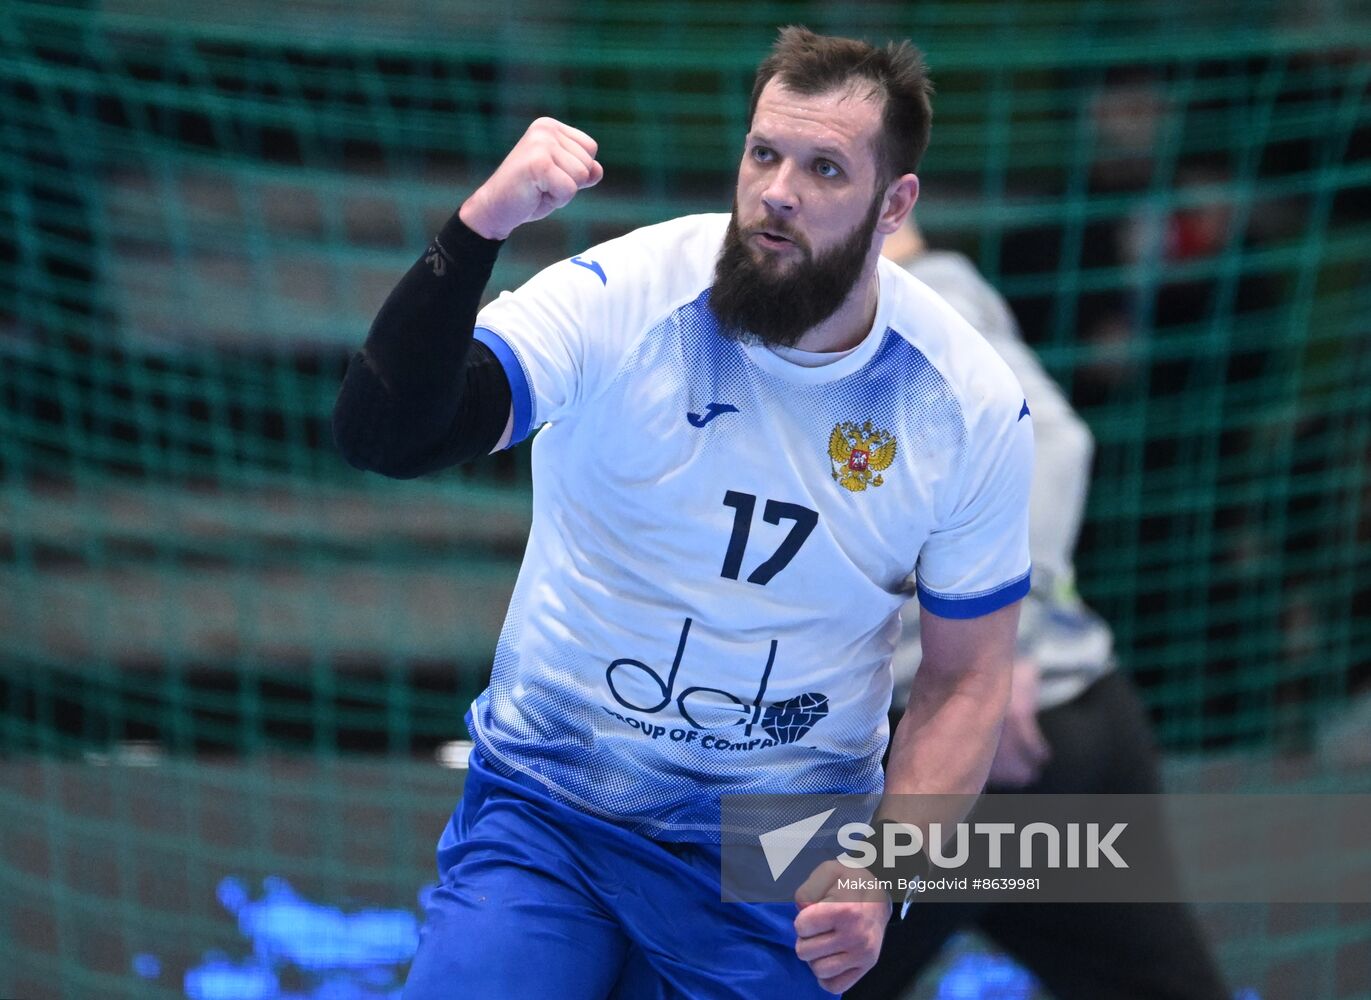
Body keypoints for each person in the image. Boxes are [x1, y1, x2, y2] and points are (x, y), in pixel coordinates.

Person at [333, 28, 1034, 999]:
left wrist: (886, 869)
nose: (778, 190)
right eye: (764, 154)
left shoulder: (964, 402)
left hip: (774, 843)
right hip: (552, 802)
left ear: (894, 204)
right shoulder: (629, 296)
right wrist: (479, 225)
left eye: (825, 167)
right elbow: (386, 433)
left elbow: (965, 681)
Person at [845, 219, 1230, 1000]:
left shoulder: (921, 300)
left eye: (824, 170)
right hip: (1060, 728)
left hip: (994, 745)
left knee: (797, 974)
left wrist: (1009, 644)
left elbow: (1053, 444)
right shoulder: (836, 318)